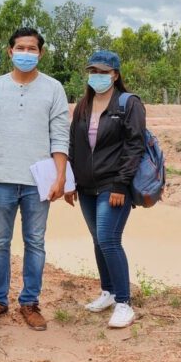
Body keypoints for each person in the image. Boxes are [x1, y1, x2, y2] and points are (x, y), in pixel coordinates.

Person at [0, 27, 69, 331]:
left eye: (32, 49)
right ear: (9, 52)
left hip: (38, 181)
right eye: (21, 48)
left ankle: (30, 303)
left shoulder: (54, 89)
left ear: (40, 53)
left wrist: (61, 176)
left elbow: (59, 135)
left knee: (35, 242)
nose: (26, 53)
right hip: (0, 179)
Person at [64, 50, 145, 328]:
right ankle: (108, 292)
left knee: (109, 239)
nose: (96, 77)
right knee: (98, 240)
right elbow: (74, 144)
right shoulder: (84, 105)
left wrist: (122, 184)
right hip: (86, 185)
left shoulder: (129, 103)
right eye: (93, 71)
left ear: (115, 74)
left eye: (102, 72)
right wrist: (70, 181)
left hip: (114, 184)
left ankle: (124, 303)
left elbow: (135, 146)